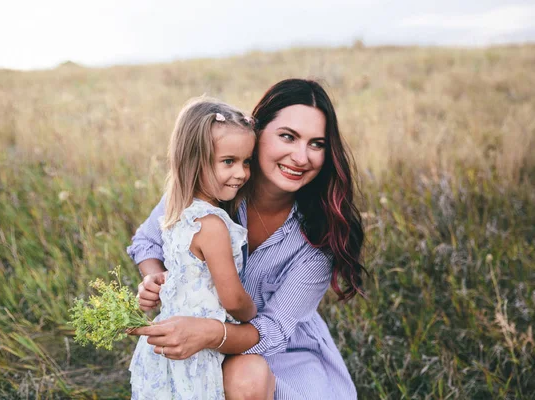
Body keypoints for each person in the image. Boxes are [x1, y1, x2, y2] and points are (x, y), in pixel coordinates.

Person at [128, 79, 366, 399]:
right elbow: (148, 240)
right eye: (288, 136)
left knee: (246, 377)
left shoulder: (321, 234)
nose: (301, 156)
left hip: (276, 351)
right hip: (193, 332)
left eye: (316, 144)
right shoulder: (209, 186)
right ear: (258, 131)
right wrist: (155, 276)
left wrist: (212, 333)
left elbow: (272, 331)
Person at [128, 97, 259, 399]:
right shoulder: (211, 224)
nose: (241, 173)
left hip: (170, 335)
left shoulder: (178, 213)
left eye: (246, 161)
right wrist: (251, 310)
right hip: (197, 346)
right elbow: (232, 298)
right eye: (229, 162)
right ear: (193, 161)